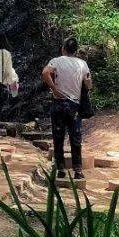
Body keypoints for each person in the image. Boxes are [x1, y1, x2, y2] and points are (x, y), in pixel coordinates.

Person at [42, 36, 91, 178]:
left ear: (63, 49)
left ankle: (61, 169)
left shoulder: (56, 61)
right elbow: (88, 84)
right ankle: (78, 170)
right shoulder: (82, 64)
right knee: (76, 137)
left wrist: (54, 88)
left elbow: (45, 72)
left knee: (58, 136)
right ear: (75, 51)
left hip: (59, 103)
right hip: (75, 105)